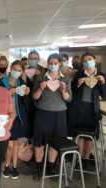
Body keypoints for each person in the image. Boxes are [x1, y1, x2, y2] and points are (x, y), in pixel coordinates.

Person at [32, 53, 72, 182]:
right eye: (51, 63)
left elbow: (68, 99)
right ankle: (38, 168)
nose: (53, 65)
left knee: (55, 142)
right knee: (39, 143)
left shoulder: (65, 79)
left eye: (55, 63)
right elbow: (34, 97)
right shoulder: (40, 78)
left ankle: (51, 167)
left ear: (60, 63)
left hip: (59, 114)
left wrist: (63, 91)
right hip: (42, 113)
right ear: (47, 64)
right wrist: (40, 89)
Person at [67, 52, 106, 168]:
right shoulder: (79, 75)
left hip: (92, 109)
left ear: (95, 60)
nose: (87, 62)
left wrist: (103, 83)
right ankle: (79, 159)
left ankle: (86, 158)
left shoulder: (102, 75)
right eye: (85, 61)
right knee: (78, 134)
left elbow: (105, 94)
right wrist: (77, 84)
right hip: (78, 108)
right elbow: (72, 92)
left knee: (89, 136)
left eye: (89, 59)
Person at [0, 60, 30, 180]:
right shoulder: (1, 82)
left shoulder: (22, 82)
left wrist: (26, 94)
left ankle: (14, 167)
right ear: (10, 68)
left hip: (18, 117)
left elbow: (26, 103)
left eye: (19, 70)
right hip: (5, 117)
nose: (16, 72)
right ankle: (7, 165)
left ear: (22, 72)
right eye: (15, 69)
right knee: (9, 144)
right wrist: (8, 93)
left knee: (15, 142)